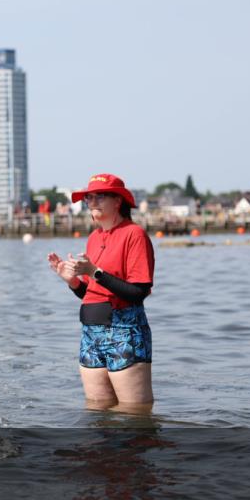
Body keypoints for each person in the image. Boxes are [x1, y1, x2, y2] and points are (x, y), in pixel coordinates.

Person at [47, 174, 155, 412]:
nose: (92, 202)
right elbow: (93, 292)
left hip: (124, 331)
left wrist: (94, 272)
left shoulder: (133, 234)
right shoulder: (94, 238)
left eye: (100, 196)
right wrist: (73, 281)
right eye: (88, 197)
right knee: (97, 414)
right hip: (90, 333)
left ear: (118, 201)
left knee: (134, 415)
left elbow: (138, 292)